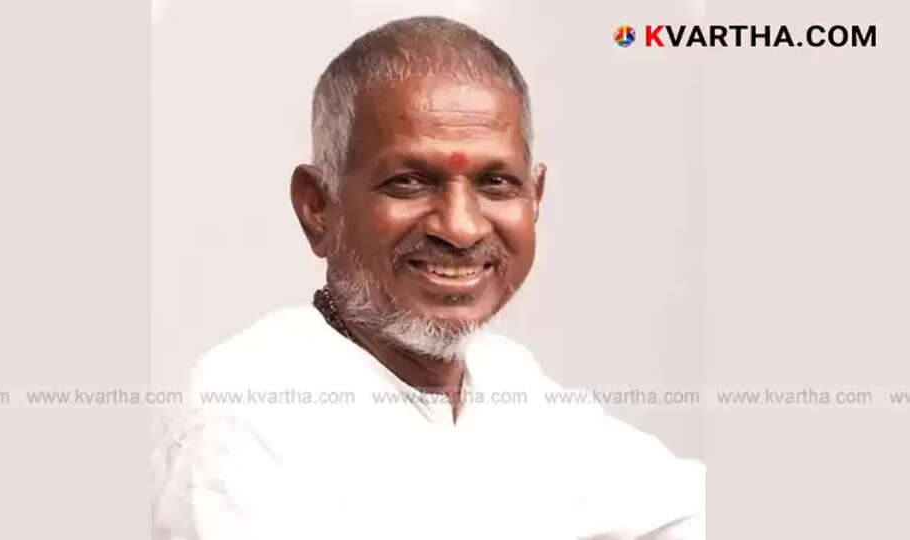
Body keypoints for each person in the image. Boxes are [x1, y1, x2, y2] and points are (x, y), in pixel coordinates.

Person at [152, 15, 704, 540]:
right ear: (319, 206)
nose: (461, 229)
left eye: (496, 184)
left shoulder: (509, 382)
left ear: (535, 198)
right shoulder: (248, 415)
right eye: (410, 182)